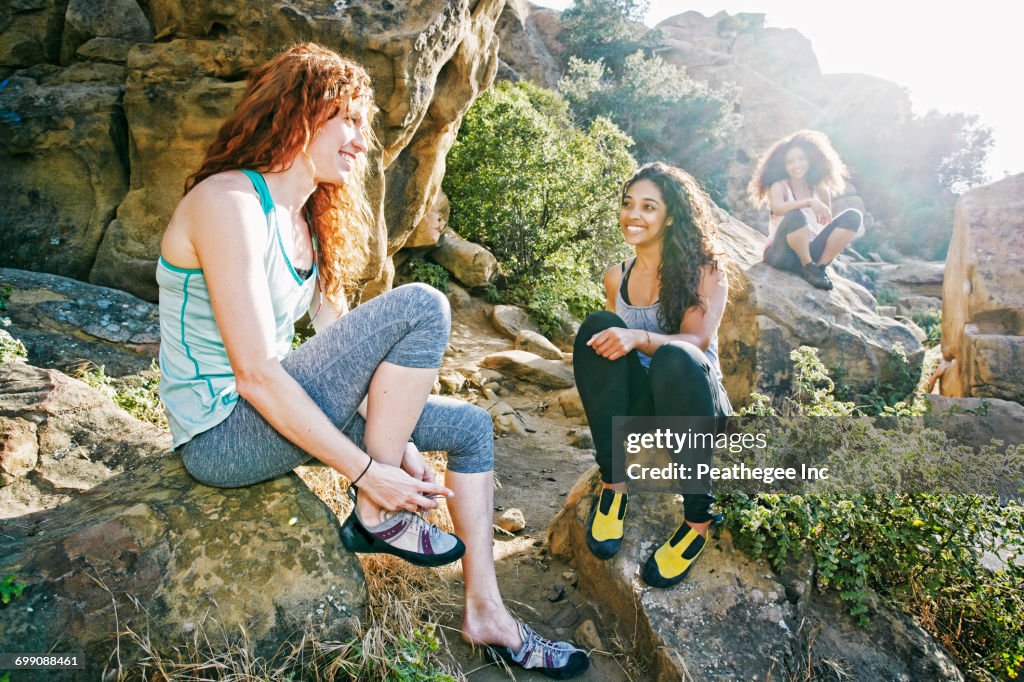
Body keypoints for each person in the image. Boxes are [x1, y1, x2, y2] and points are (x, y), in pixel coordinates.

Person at [157, 43, 588, 679]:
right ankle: (376, 515)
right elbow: (255, 372)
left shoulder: (305, 219)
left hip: (270, 413)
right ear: (300, 112)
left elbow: (341, 345)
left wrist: (399, 428)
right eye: (350, 119)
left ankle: (485, 610)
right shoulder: (230, 203)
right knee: (421, 305)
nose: (363, 140)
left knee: (468, 428)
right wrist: (370, 472)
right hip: (222, 433)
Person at [573, 162, 731, 588]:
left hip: (691, 403)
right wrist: (620, 337)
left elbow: (696, 341)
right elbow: (610, 357)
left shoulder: (706, 269)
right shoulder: (616, 275)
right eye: (628, 204)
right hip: (644, 411)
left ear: (671, 216)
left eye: (648, 206)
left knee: (674, 356)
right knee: (595, 328)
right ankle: (614, 486)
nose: (634, 215)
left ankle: (698, 520)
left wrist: (638, 337)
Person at [749, 129, 863, 290]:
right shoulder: (779, 186)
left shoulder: (821, 191)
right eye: (790, 162)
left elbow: (824, 224)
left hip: (811, 250)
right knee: (795, 215)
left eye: (801, 159)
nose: (797, 165)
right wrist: (809, 202)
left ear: (811, 160)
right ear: (784, 165)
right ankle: (808, 267)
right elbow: (778, 208)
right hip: (781, 254)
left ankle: (819, 269)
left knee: (853, 216)